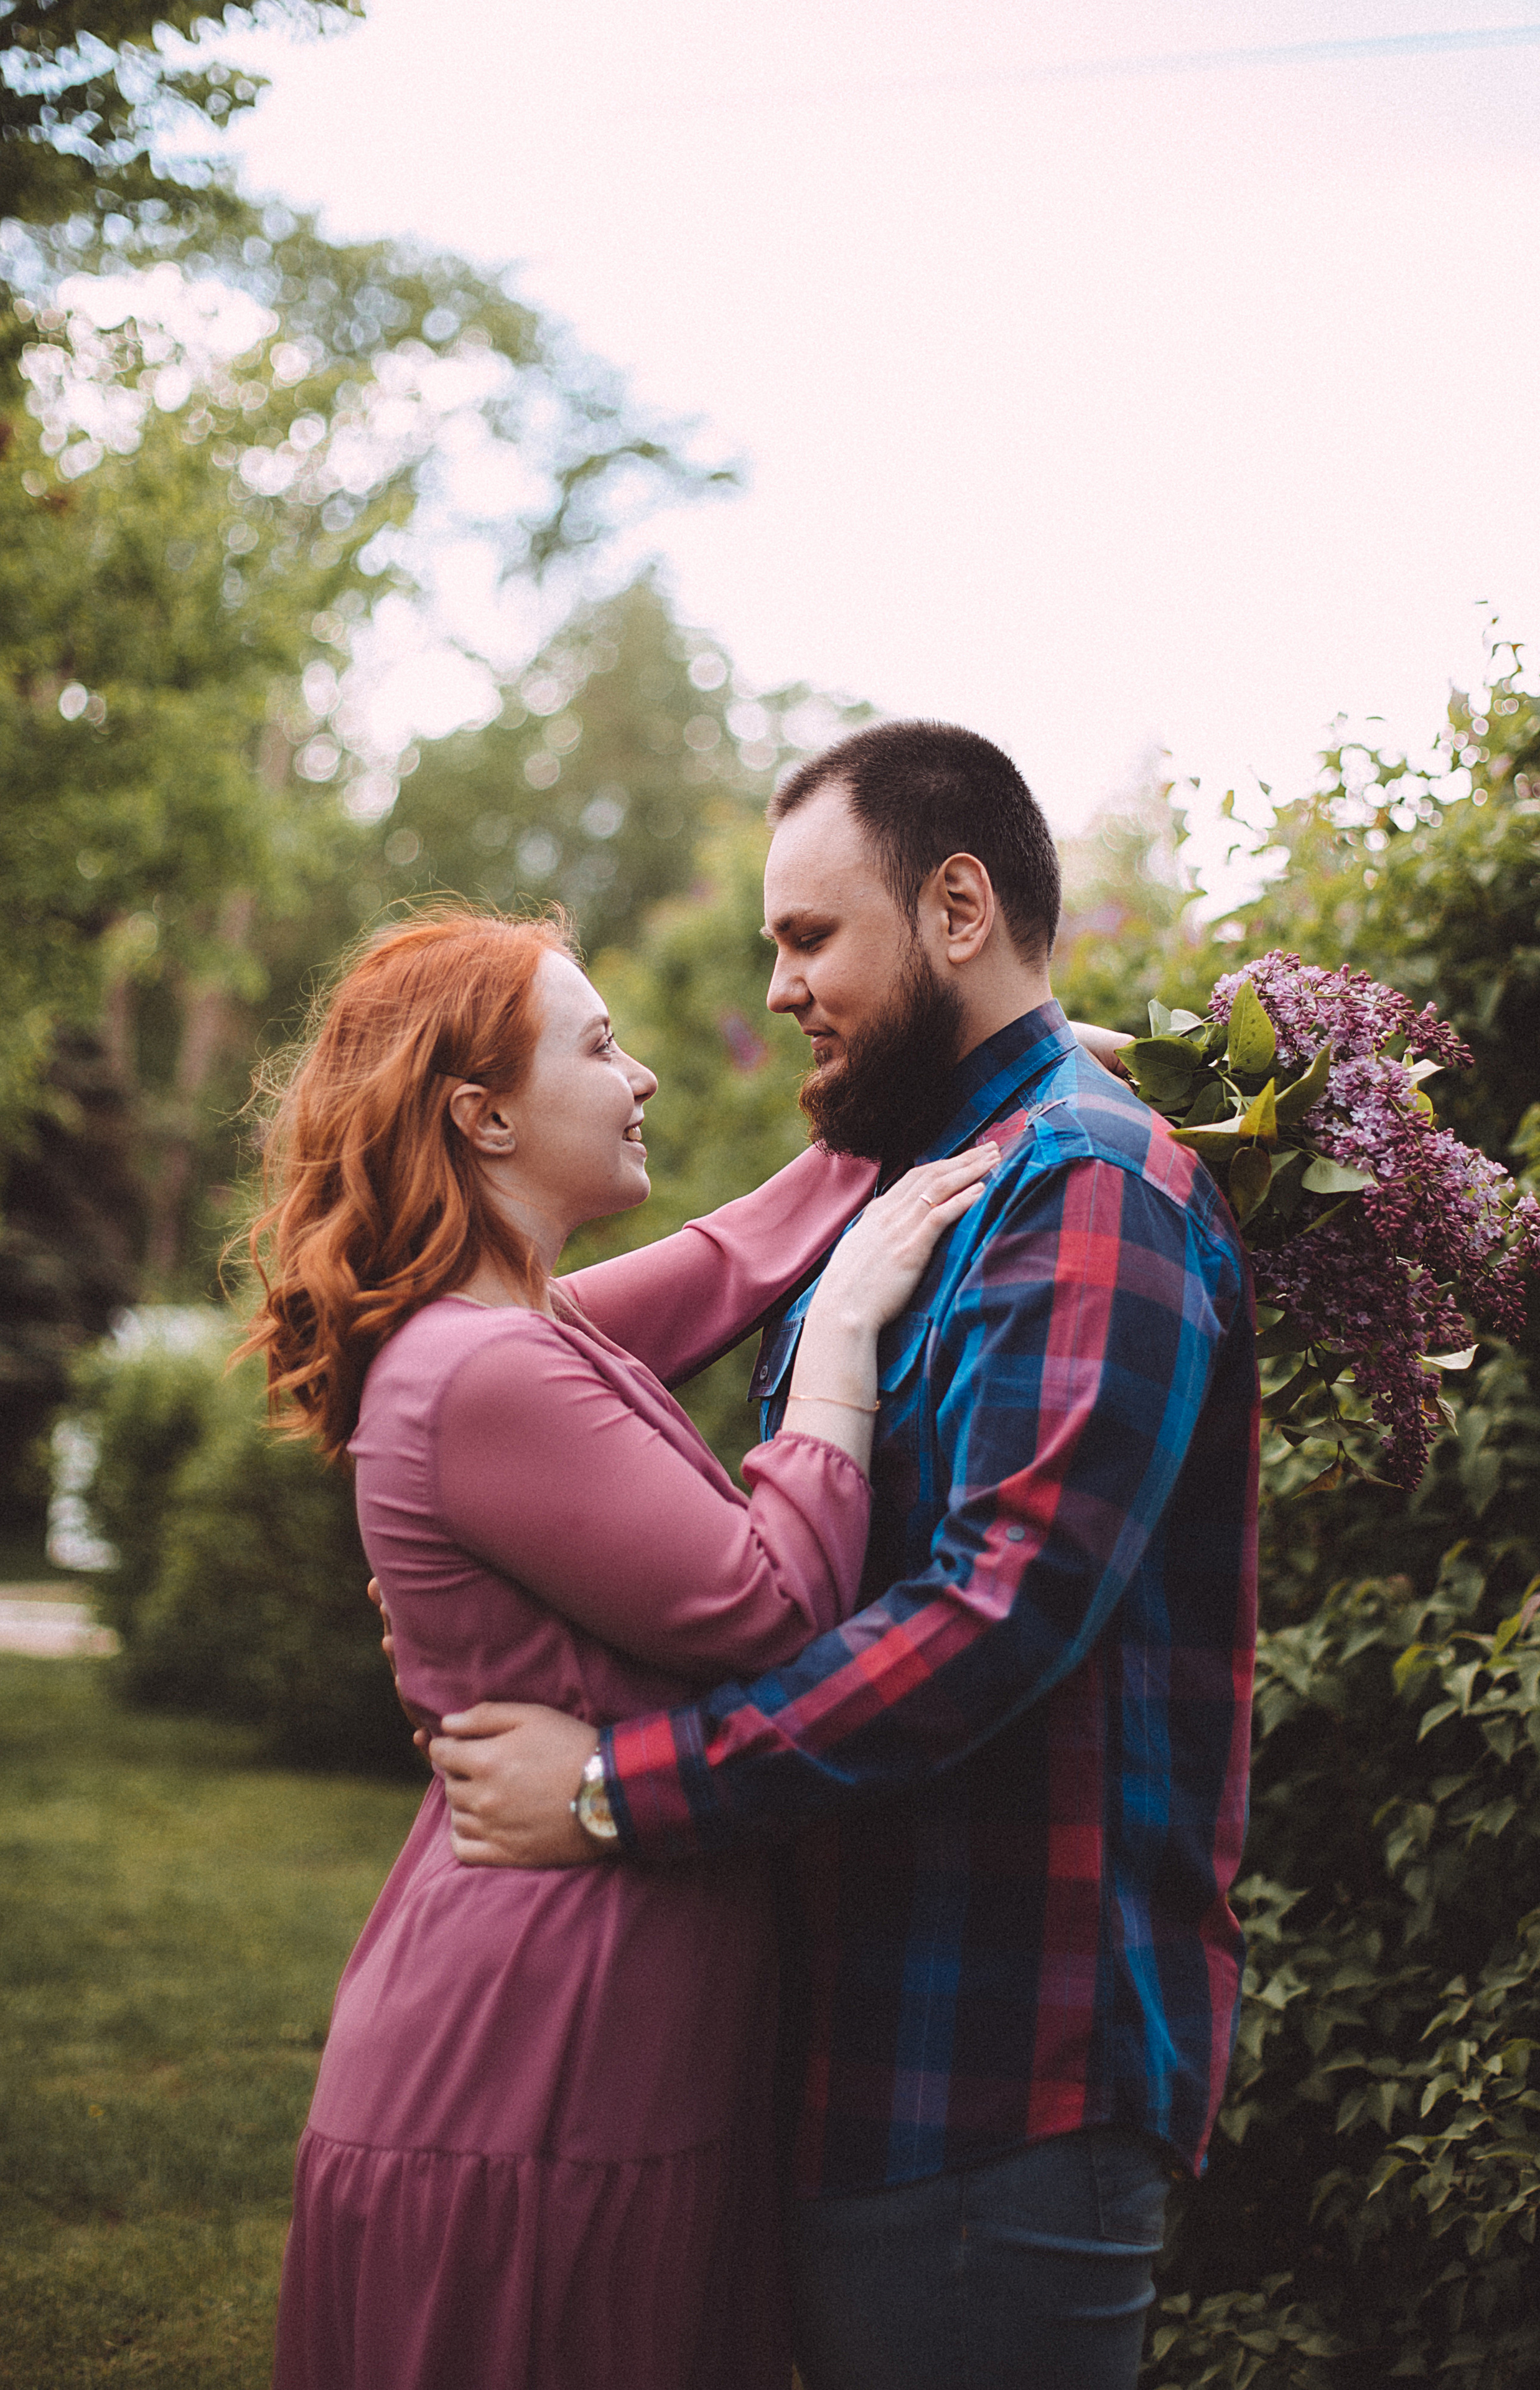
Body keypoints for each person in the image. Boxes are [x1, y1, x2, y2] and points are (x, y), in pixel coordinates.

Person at [422, 721, 1262, 2390]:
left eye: (812, 938)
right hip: (866, 2057)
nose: (786, 985)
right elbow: (521, 1360)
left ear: (959, 909)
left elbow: (993, 1622)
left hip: (995, 2076)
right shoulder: (927, 1181)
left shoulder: (1085, 1188)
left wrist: (617, 1790)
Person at [246, 902, 1001, 2390]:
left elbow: (725, 1261)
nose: (643, 1073)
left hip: (599, 2023)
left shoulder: (514, 1329)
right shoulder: (486, 1368)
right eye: (599, 1046)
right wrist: (841, 1344)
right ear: (482, 1116)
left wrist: (981, 1080)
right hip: (545, 2057)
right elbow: (770, 1603)